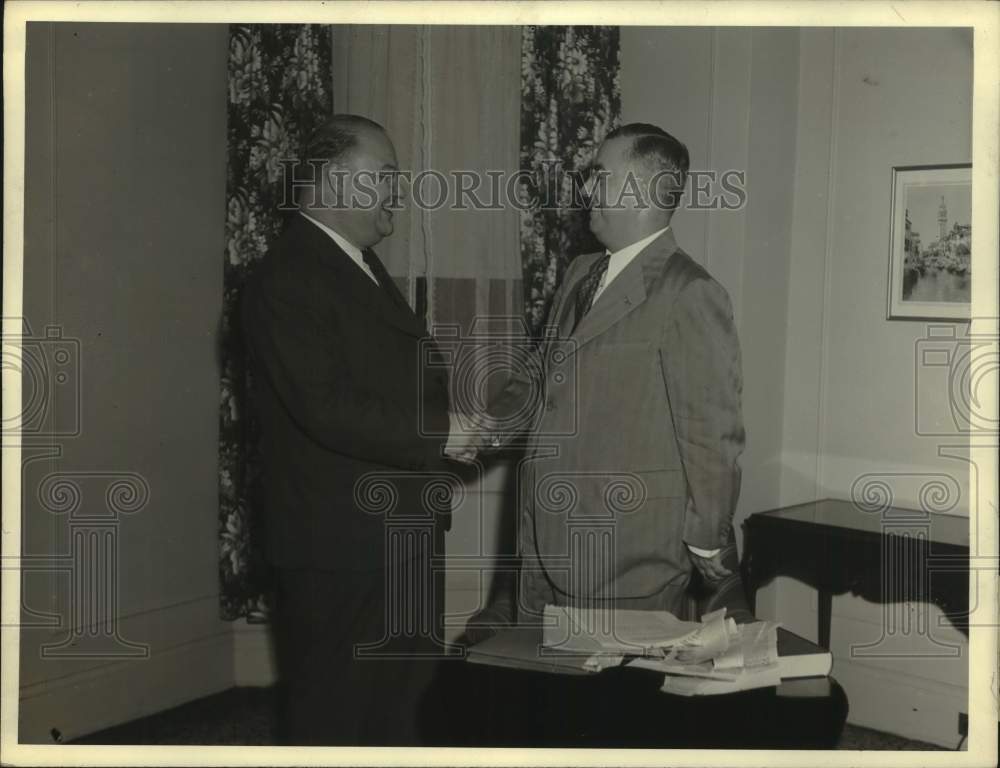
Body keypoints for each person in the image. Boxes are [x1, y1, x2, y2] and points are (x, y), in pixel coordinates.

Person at [241, 115, 470, 745]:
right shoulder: (289, 276)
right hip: (341, 549)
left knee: (399, 714)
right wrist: (444, 435)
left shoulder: (352, 263)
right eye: (387, 176)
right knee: (339, 722)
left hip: (393, 536)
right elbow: (325, 406)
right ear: (337, 181)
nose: (398, 191)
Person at [471, 123, 745, 620]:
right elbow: (542, 370)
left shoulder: (690, 292)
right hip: (541, 541)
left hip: (626, 559)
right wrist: (487, 426)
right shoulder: (581, 272)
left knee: (609, 700)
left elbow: (712, 436)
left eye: (599, 175)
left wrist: (707, 545)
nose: (586, 188)